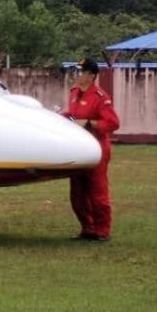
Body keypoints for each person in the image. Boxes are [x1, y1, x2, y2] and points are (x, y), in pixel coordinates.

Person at [61, 58, 120, 242]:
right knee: (78, 193)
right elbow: (72, 113)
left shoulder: (100, 97)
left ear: (92, 76)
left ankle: (102, 231)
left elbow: (113, 123)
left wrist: (89, 123)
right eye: (77, 71)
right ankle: (87, 228)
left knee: (97, 191)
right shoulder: (74, 92)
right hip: (78, 148)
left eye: (82, 72)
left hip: (97, 148)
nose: (78, 75)